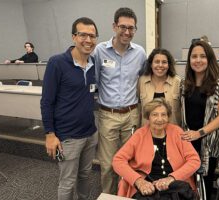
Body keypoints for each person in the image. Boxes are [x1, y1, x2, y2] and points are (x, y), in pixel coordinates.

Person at [40, 17, 99, 200]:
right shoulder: (57, 63)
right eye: (83, 35)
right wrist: (50, 134)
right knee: (67, 182)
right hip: (67, 137)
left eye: (92, 36)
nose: (88, 40)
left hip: (90, 133)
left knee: (86, 176)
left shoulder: (94, 64)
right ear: (74, 37)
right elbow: (47, 101)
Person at [93, 7, 147, 194]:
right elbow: (94, 81)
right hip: (108, 115)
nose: (127, 32)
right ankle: (107, 195)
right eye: (123, 27)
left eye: (131, 28)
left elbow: (144, 79)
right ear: (114, 26)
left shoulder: (140, 53)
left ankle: (127, 195)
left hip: (132, 115)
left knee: (131, 162)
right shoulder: (100, 51)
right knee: (107, 165)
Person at [112, 98, 201, 198]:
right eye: (155, 115)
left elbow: (195, 160)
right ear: (148, 117)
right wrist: (139, 181)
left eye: (163, 115)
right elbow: (118, 160)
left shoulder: (177, 132)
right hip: (148, 185)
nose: (159, 119)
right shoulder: (139, 135)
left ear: (168, 117)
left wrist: (171, 178)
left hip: (175, 184)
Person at [181, 40, 219, 199]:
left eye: (202, 56)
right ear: (189, 60)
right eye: (194, 56)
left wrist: (199, 133)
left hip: (208, 141)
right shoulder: (185, 83)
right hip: (188, 139)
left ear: (209, 59)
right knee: (188, 180)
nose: (198, 60)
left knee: (204, 183)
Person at [138, 48, 182, 126]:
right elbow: (138, 108)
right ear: (151, 64)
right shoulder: (141, 81)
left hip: (172, 133)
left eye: (164, 62)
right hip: (147, 132)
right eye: (157, 62)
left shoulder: (178, 82)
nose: (160, 65)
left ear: (169, 65)